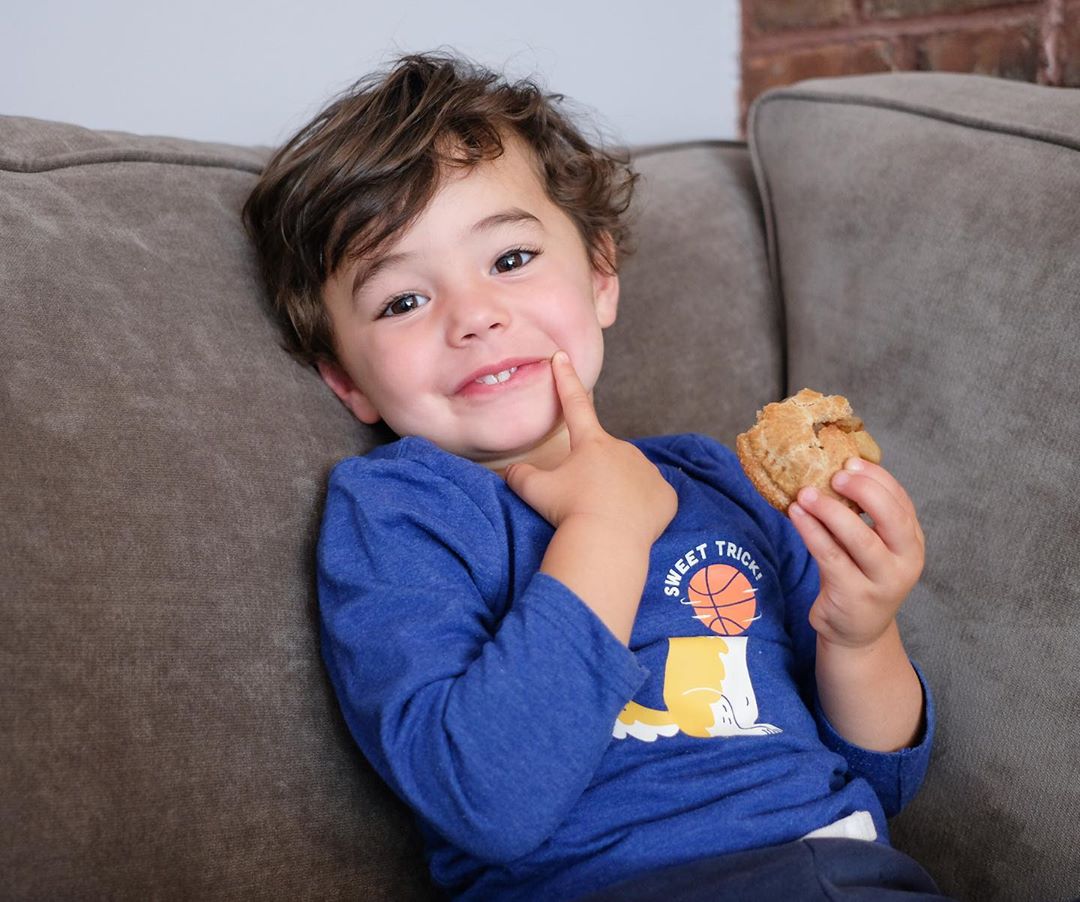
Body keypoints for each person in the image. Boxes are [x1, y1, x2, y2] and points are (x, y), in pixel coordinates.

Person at [243, 51, 946, 901]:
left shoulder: (714, 480)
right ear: (347, 379)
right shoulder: (401, 516)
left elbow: (882, 783)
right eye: (401, 301)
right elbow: (488, 801)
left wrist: (861, 637)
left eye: (508, 260)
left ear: (601, 274)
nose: (475, 316)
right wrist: (604, 531)